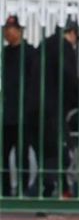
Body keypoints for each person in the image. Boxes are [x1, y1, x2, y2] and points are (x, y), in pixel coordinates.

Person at [40, 18, 79, 197]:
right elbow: (69, 77)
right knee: (63, 150)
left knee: (49, 150)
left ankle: (60, 189)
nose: (75, 44)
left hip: (35, 107)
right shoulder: (64, 48)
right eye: (76, 39)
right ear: (72, 33)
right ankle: (47, 189)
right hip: (53, 108)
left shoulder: (45, 46)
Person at [1, 14, 39, 197]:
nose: (7, 33)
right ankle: (5, 190)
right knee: (3, 155)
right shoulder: (5, 53)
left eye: (11, 29)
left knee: (21, 156)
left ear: (20, 31)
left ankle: (23, 190)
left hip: (24, 114)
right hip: (7, 114)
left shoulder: (30, 53)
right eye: (5, 29)